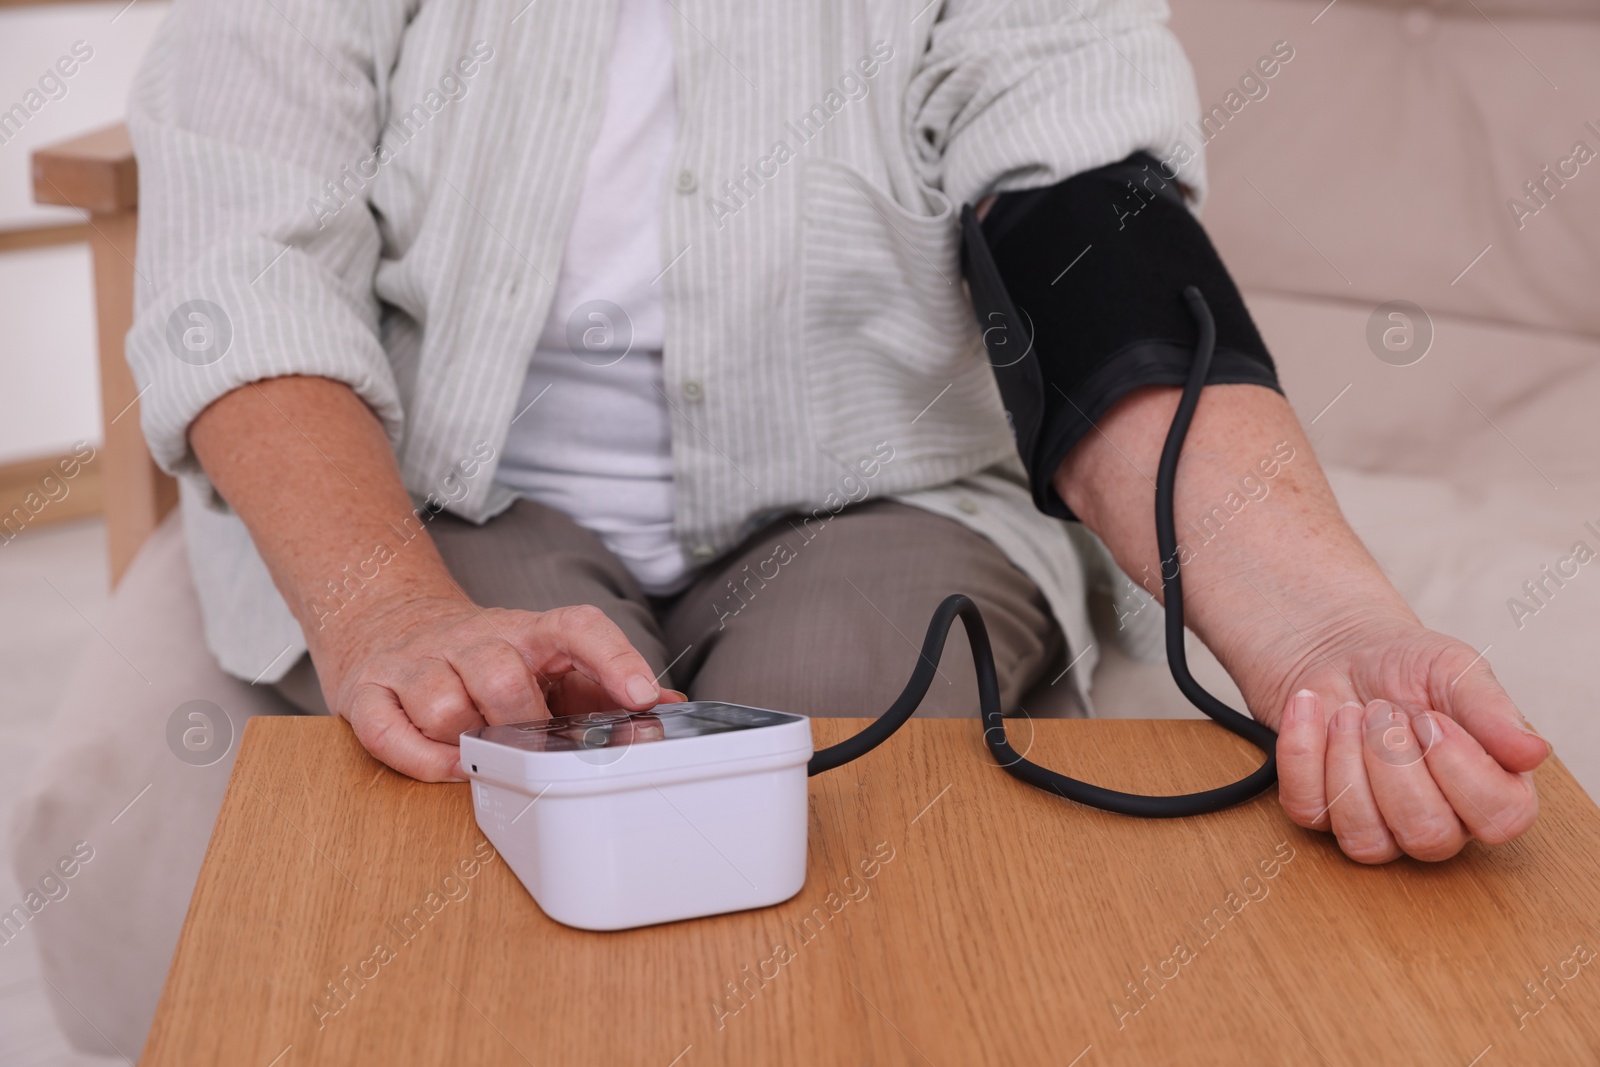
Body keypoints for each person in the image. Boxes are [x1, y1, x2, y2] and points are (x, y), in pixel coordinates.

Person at [12, 0, 1547, 1056]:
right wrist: (384, 610)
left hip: (878, 490)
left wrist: (1326, 624)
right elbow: (243, 251)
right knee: (501, 814)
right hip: (438, 492)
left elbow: (1090, 223)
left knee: (863, 800)